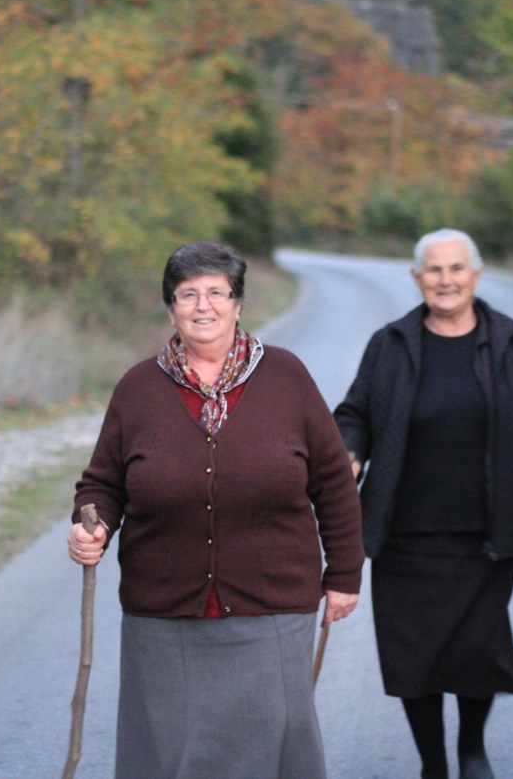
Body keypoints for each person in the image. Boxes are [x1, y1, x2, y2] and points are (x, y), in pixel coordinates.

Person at [68, 241, 364, 778]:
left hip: (271, 609)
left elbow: (332, 483)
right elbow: (102, 483)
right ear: (171, 307)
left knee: (269, 754)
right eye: (188, 294)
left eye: (216, 293)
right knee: (166, 754)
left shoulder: (286, 377)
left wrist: (344, 573)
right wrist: (92, 525)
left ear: (238, 303)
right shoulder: (138, 387)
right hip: (163, 618)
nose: (203, 306)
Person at [334, 228, 513, 779]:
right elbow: (355, 413)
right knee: (411, 654)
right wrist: (348, 450)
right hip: (402, 533)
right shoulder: (391, 343)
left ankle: (472, 748)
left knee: (476, 648)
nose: (445, 280)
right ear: (416, 278)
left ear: (476, 273)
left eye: (455, 268)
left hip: (487, 533)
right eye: (434, 270)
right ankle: (432, 764)